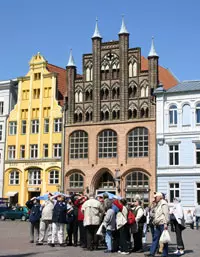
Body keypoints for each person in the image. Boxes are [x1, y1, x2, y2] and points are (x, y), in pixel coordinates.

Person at [145, 192, 169, 257]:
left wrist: (165, 223)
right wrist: (153, 204)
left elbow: (166, 214)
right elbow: (154, 212)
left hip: (162, 223)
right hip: (158, 223)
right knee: (155, 238)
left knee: (164, 240)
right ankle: (152, 253)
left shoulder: (164, 203)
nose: (155, 198)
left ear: (160, 197)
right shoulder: (158, 204)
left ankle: (165, 254)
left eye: (156, 197)